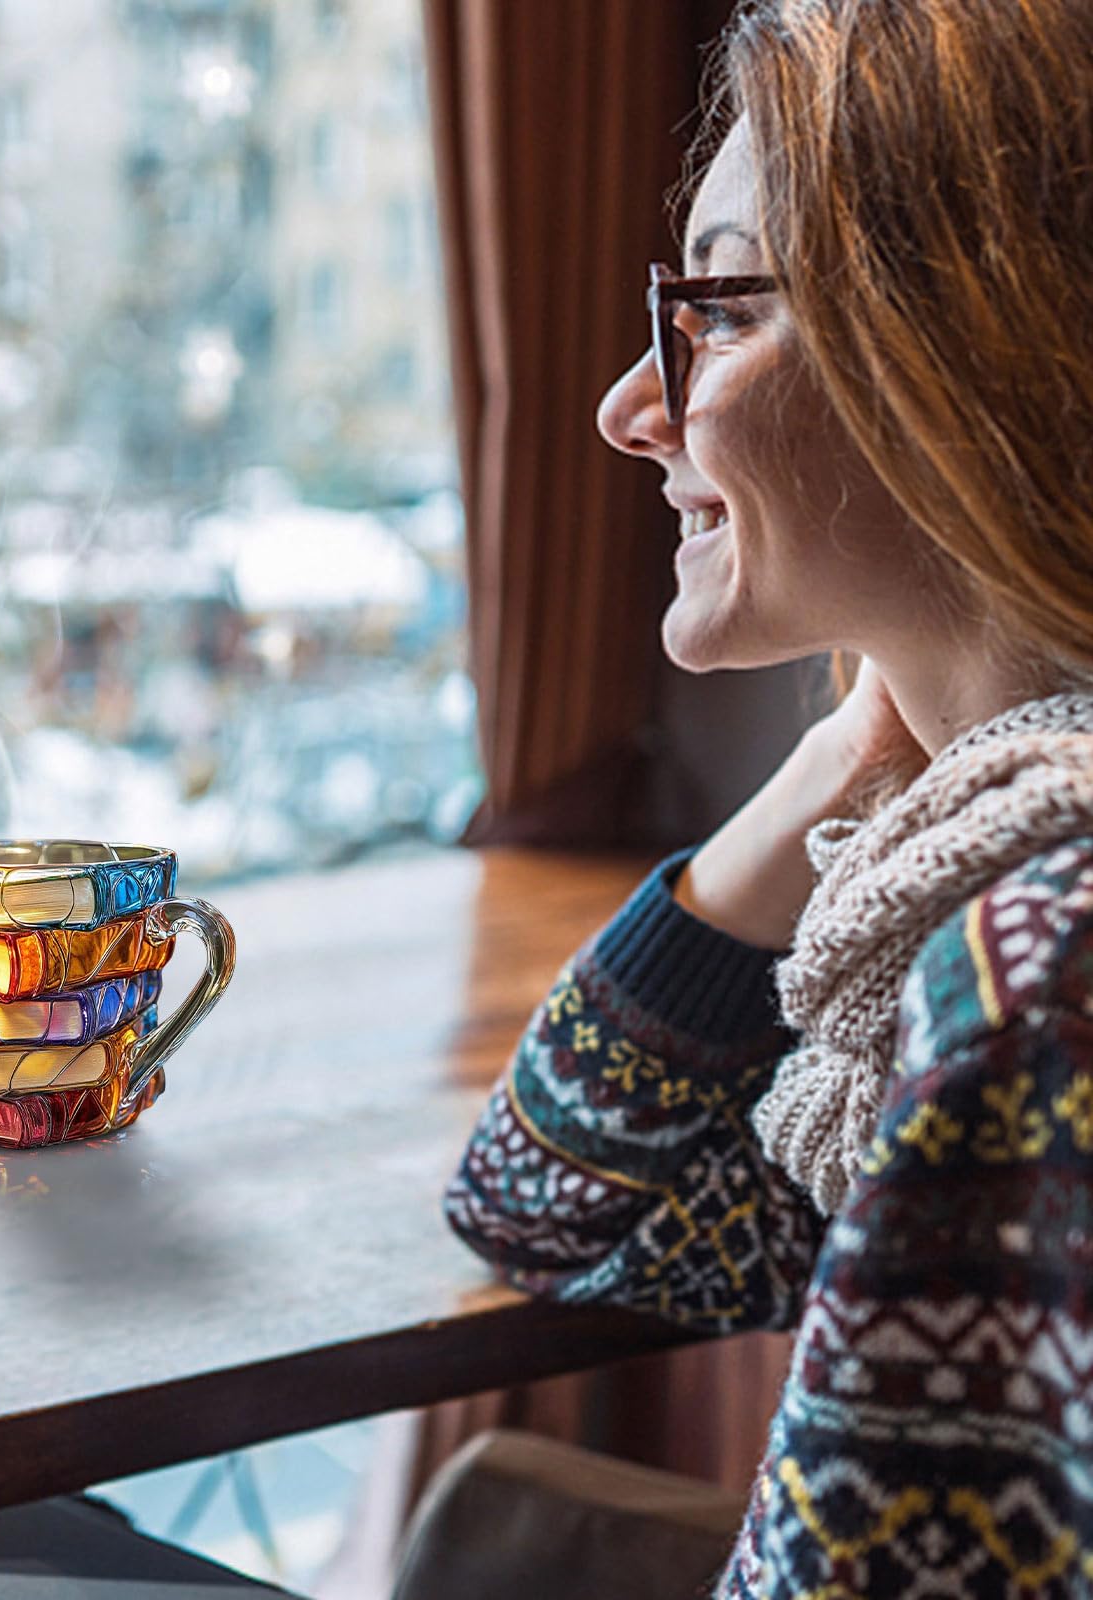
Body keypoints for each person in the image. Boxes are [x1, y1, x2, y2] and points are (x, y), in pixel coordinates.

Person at [436, 0, 1093, 1594]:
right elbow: (537, 1210)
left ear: (969, 353)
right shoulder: (964, 903)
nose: (629, 405)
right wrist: (854, 757)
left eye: (717, 310)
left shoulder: (1040, 977)